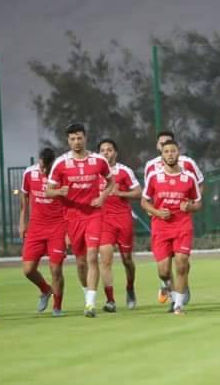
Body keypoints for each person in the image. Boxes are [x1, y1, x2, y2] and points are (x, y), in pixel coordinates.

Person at [46, 123, 114, 317]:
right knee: (81, 262)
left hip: (93, 214)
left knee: (92, 256)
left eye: (79, 138)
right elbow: (48, 191)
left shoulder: (98, 160)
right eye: (72, 139)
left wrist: (102, 197)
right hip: (72, 217)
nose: (76, 142)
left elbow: (111, 182)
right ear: (68, 141)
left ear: (85, 138)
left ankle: (90, 304)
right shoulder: (61, 163)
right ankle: (87, 294)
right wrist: (59, 191)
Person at [141, 140, 202, 315]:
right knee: (164, 271)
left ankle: (178, 305)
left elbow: (198, 203)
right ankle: (167, 286)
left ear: (178, 153)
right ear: (162, 155)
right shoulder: (154, 176)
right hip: (160, 227)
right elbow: (144, 202)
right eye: (166, 151)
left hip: (182, 225)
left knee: (181, 263)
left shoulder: (188, 177)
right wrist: (157, 212)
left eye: (173, 151)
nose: (170, 154)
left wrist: (189, 207)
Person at [19, 148, 67, 316]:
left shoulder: (61, 174)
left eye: (47, 166)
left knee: (56, 269)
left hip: (58, 226)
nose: (44, 169)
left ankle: (57, 307)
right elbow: (24, 197)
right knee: (28, 270)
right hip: (36, 227)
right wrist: (22, 222)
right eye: (42, 166)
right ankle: (45, 289)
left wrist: (68, 230)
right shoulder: (29, 173)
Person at [97, 139, 142, 312]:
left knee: (127, 260)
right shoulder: (94, 172)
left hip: (123, 219)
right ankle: (110, 300)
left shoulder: (124, 171)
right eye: (102, 150)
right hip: (103, 220)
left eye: (109, 150)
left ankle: (130, 287)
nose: (106, 153)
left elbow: (138, 192)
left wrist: (120, 193)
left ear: (115, 153)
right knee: (105, 259)